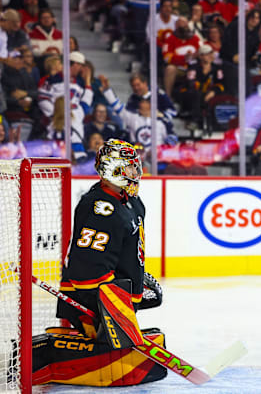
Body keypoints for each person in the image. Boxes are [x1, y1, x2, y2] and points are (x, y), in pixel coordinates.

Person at [47, 139, 167, 387]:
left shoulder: (131, 201)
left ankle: (112, 330)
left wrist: (134, 280)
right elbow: (85, 271)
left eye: (136, 167)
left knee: (153, 295)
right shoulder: (100, 208)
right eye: (130, 167)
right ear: (113, 168)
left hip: (117, 288)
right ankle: (98, 336)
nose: (136, 173)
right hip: (95, 295)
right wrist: (111, 305)